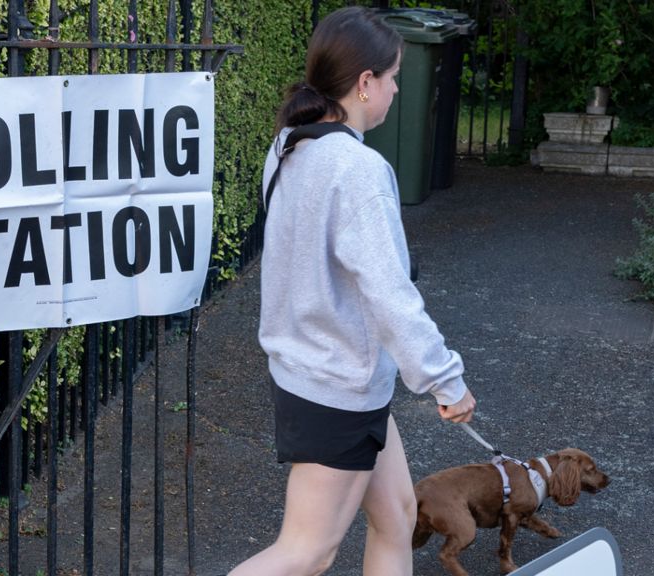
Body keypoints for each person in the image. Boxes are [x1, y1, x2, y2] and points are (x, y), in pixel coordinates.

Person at [229, 7, 476, 576]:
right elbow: (389, 293)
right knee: (308, 552)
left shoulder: (291, 145)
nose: (395, 89)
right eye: (392, 77)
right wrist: (445, 380)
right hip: (335, 384)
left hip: (324, 373)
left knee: (396, 514)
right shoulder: (357, 169)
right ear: (365, 84)